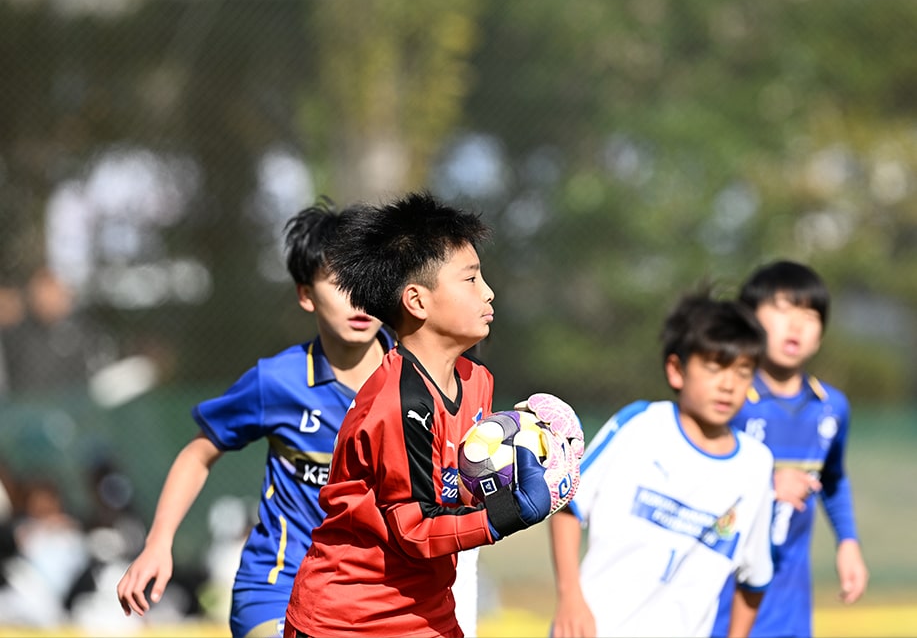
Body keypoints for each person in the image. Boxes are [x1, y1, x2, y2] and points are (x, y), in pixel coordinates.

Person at [284, 191, 582, 638]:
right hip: (347, 622)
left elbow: (455, 487)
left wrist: (525, 454)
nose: (489, 292)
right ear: (417, 302)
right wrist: (508, 513)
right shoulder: (399, 403)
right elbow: (416, 529)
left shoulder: (477, 380)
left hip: (427, 615)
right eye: (471, 279)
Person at [116, 199, 395, 638]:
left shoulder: (415, 375)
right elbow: (197, 454)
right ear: (306, 295)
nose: (357, 296)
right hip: (278, 589)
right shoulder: (277, 382)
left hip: (374, 598)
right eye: (339, 282)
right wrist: (158, 544)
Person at [550, 290, 775, 638]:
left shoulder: (756, 464)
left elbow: (755, 578)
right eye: (715, 367)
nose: (729, 384)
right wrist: (570, 599)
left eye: (743, 371)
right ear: (676, 370)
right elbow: (569, 505)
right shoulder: (640, 424)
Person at [711, 260, 869, 638]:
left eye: (810, 314)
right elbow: (697, 480)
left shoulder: (831, 407)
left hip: (789, 604)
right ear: (750, 321)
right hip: (720, 597)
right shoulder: (726, 399)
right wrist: (766, 486)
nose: (796, 324)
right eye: (782, 310)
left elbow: (832, 479)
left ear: (821, 335)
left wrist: (848, 542)